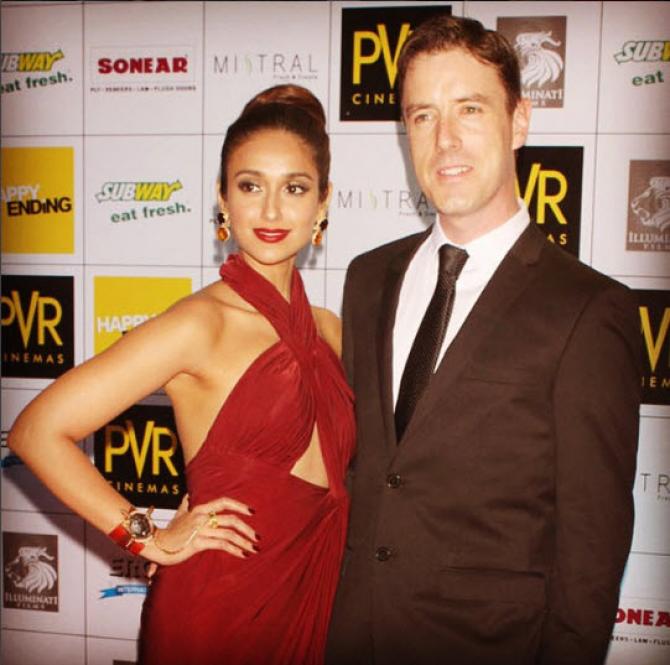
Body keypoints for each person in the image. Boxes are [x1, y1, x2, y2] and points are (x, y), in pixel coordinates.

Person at [326, 15, 640, 665]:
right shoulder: (367, 278)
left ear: (519, 121)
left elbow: (592, 551)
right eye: (422, 116)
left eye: (469, 109)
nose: (445, 139)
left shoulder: (587, 309)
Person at [8, 84, 355, 665]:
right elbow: (36, 431)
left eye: (294, 188)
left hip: (317, 597)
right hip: (218, 610)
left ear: (323, 203)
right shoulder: (198, 324)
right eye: (250, 186)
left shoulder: (332, 330)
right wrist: (149, 537)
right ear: (223, 199)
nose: (271, 211)